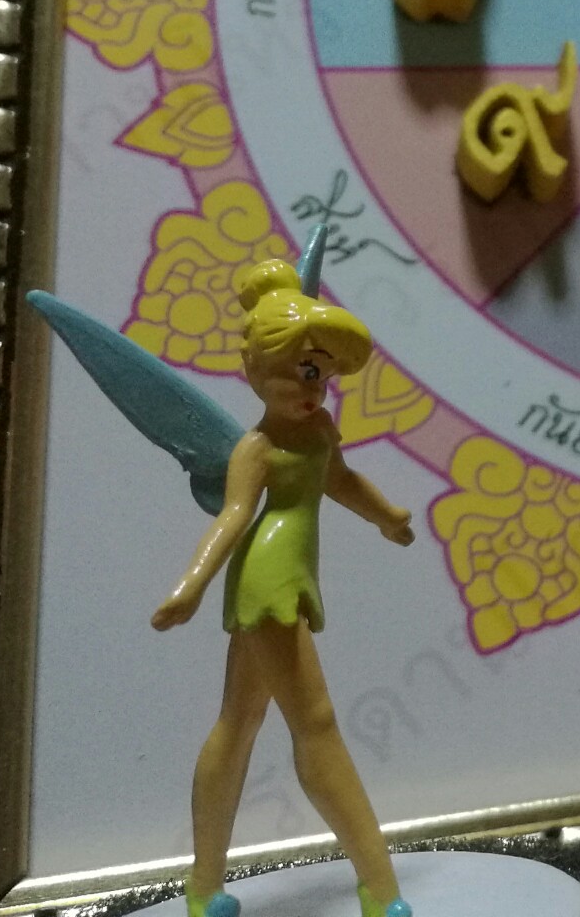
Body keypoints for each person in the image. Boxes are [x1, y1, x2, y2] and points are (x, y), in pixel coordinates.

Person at [153, 258, 416, 917]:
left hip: (292, 578)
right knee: (316, 725)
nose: (314, 389)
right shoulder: (256, 448)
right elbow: (233, 517)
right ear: (256, 369)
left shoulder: (319, 430)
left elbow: (340, 480)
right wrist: (191, 584)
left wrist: (386, 516)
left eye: (321, 374)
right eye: (302, 372)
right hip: (267, 582)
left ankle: (203, 888)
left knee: (238, 723)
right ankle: (380, 889)